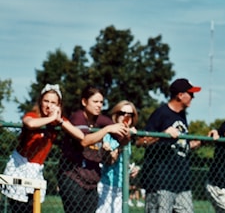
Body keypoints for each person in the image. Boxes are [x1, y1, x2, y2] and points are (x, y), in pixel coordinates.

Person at [1, 84, 84, 213]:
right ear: (40, 101)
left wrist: (60, 121)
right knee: (19, 208)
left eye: (53, 102)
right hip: (20, 165)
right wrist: (50, 118)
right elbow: (30, 123)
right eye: (46, 101)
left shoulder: (58, 121)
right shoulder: (33, 115)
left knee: (34, 207)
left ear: (59, 105)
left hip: (36, 168)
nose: (49, 105)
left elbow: (80, 135)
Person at [58, 86, 130, 213]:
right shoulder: (78, 117)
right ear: (84, 102)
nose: (99, 105)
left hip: (91, 181)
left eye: (101, 102)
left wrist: (126, 134)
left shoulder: (101, 120)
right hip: (73, 177)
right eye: (95, 102)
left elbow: (122, 140)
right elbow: (85, 140)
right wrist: (106, 130)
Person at [135, 78, 202, 213]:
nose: (193, 97)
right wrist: (163, 134)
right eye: (190, 94)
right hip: (161, 181)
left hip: (181, 182)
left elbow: (182, 145)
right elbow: (140, 141)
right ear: (180, 95)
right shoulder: (161, 113)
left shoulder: (182, 115)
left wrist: (202, 141)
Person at [96, 100, 139, 213]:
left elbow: (121, 162)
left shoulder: (128, 137)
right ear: (116, 115)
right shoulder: (109, 134)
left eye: (130, 114)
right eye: (122, 113)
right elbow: (109, 161)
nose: (126, 117)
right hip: (107, 187)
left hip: (122, 188)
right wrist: (121, 145)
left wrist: (130, 170)